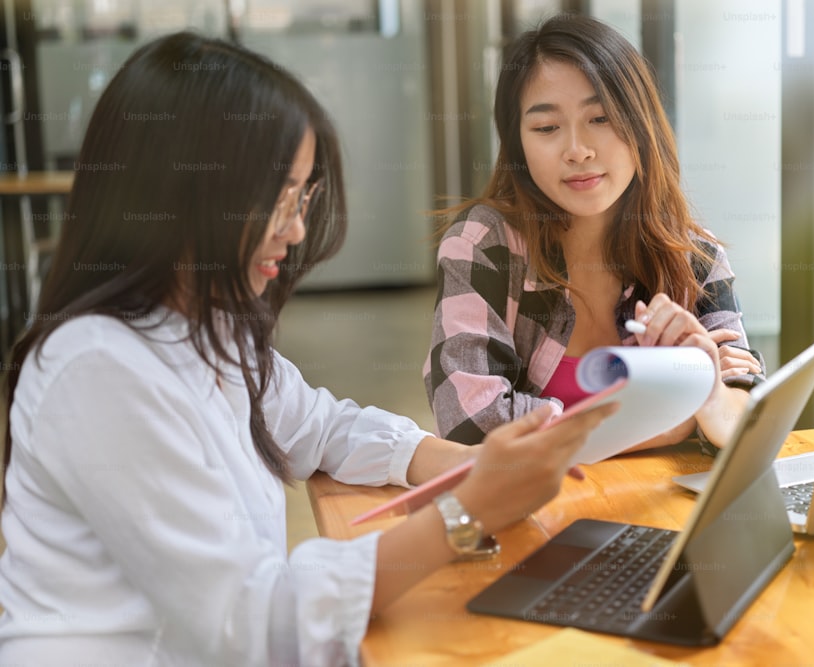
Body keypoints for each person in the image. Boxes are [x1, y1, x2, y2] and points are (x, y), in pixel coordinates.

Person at [0, 32, 616, 666]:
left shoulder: (206, 325)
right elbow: (255, 623)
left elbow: (318, 424)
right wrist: (467, 511)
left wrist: (456, 466)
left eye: (302, 199)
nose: (295, 231)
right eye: (278, 199)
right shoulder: (98, 369)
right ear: (181, 192)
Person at [424, 13, 765, 450]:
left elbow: (748, 419)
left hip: (661, 511)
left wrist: (712, 393)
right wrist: (676, 419)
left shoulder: (697, 257)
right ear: (518, 145)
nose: (578, 151)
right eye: (546, 128)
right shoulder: (484, 245)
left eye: (600, 119)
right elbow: (470, 421)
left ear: (641, 125)